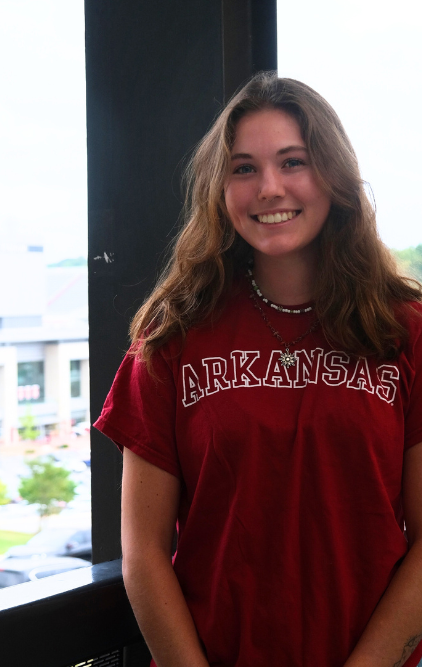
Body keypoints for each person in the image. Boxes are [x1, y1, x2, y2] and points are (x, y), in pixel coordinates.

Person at [93, 72, 422, 667]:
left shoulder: (406, 331)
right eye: (243, 168)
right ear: (219, 189)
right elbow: (142, 550)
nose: (269, 187)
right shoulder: (172, 337)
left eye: (293, 162)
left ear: (333, 176)